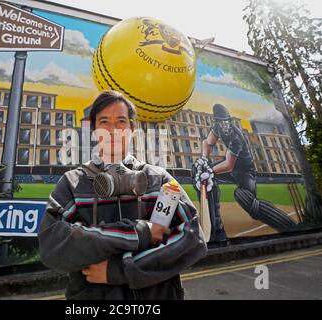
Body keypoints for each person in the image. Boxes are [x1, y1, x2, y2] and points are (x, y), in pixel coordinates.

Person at [38, 90, 207, 300]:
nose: (113, 131)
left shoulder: (158, 179)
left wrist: (121, 270)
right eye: (104, 122)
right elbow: (53, 245)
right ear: (93, 130)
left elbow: (192, 238)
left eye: (121, 121)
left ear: (132, 129)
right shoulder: (72, 183)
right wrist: (138, 233)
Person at [194, 103, 297, 235]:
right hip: (231, 169)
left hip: (245, 171)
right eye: (221, 122)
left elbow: (228, 165)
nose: (224, 125)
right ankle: (215, 223)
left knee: (246, 199)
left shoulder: (236, 137)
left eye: (226, 121)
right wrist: (204, 159)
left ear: (230, 121)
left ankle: (285, 224)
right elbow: (207, 143)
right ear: (217, 122)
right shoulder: (216, 127)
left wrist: (209, 171)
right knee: (200, 172)